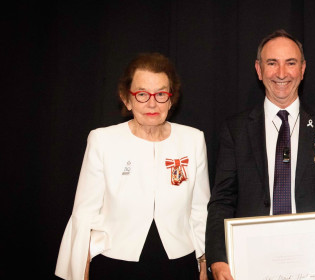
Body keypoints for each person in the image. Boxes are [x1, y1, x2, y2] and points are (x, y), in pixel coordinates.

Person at [205, 29, 315, 280]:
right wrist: (217, 259)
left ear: (302, 69)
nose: (281, 73)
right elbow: (222, 201)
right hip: (253, 263)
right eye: (272, 63)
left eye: (290, 63)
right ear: (259, 70)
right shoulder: (235, 129)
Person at [55, 53, 210, 280]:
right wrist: (81, 271)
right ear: (127, 99)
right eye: (141, 94)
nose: (152, 103)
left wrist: (203, 261)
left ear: (171, 98)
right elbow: (84, 214)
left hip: (179, 264)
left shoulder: (193, 140)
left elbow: (200, 210)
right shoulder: (102, 140)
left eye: (160, 94)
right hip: (115, 263)